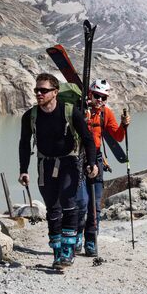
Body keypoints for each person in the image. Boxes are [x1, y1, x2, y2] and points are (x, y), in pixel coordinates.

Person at [19, 73, 97, 269]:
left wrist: (92, 163)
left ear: (55, 92)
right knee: (53, 209)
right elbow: (24, 143)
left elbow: (88, 138)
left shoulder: (70, 112)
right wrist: (23, 170)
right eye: (37, 90)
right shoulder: (30, 116)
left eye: (43, 90)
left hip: (69, 163)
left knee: (69, 205)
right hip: (45, 165)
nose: (39, 93)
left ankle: (68, 251)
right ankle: (57, 252)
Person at [76, 79, 131, 257]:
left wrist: (124, 126)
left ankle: (91, 240)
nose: (100, 100)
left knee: (95, 203)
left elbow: (118, 137)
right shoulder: (79, 109)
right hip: (78, 158)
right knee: (81, 202)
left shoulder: (105, 113)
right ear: (90, 94)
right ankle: (77, 236)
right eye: (97, 95)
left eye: (103, 97)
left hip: (97, 158)